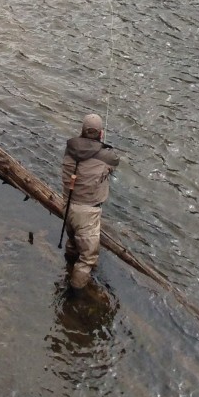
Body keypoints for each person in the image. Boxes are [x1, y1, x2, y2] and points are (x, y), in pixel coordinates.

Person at [61, 112, 121, 291]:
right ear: (101, 133)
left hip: (67, 206)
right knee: (87, 259)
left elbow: (85, 152)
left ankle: (68, 266)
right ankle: (73, 294)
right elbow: (116, 161)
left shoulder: (70, 148)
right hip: (87, 213)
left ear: (82, 130)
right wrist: (103, 145)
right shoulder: (106, 156)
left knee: (73, 242)